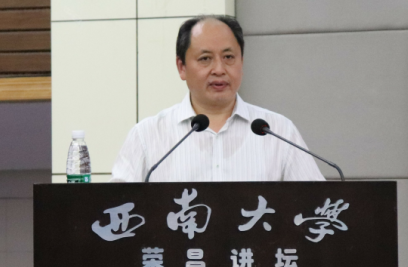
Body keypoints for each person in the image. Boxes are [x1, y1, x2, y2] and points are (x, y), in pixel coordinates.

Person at [110, 15, 325, 182]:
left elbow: (317, 208)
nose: (219, 69)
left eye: (229, 57)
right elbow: (116, 211)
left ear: (242, 62)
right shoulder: (147, 136)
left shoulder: (278, 131)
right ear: (181, 67)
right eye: (205, 59)